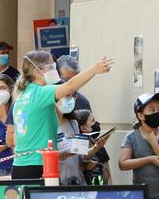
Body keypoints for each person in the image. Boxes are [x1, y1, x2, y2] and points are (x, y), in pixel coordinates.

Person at [11, 50, 114, 180]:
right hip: (40, 165)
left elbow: (17, 138)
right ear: (37, 71)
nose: (56, 70)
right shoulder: (40, 93)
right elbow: (70, 85)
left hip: (21, 165)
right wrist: (94, 69)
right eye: (52, 66)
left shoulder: (22, 96)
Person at [55, 89, 86, 185]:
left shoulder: (73, 123)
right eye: (67, 96)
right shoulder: (47, 125)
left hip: (75, 179)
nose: (71, 99)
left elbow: (81, 153)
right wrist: (58, 157)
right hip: (56, 179)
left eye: (73, 96)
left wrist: (95, 147)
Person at [74, 109, 112, 185]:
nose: (97, 123)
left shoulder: (100, 146)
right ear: (83, 128)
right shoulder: (76, 150)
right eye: (93, 121)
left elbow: (108, 176)